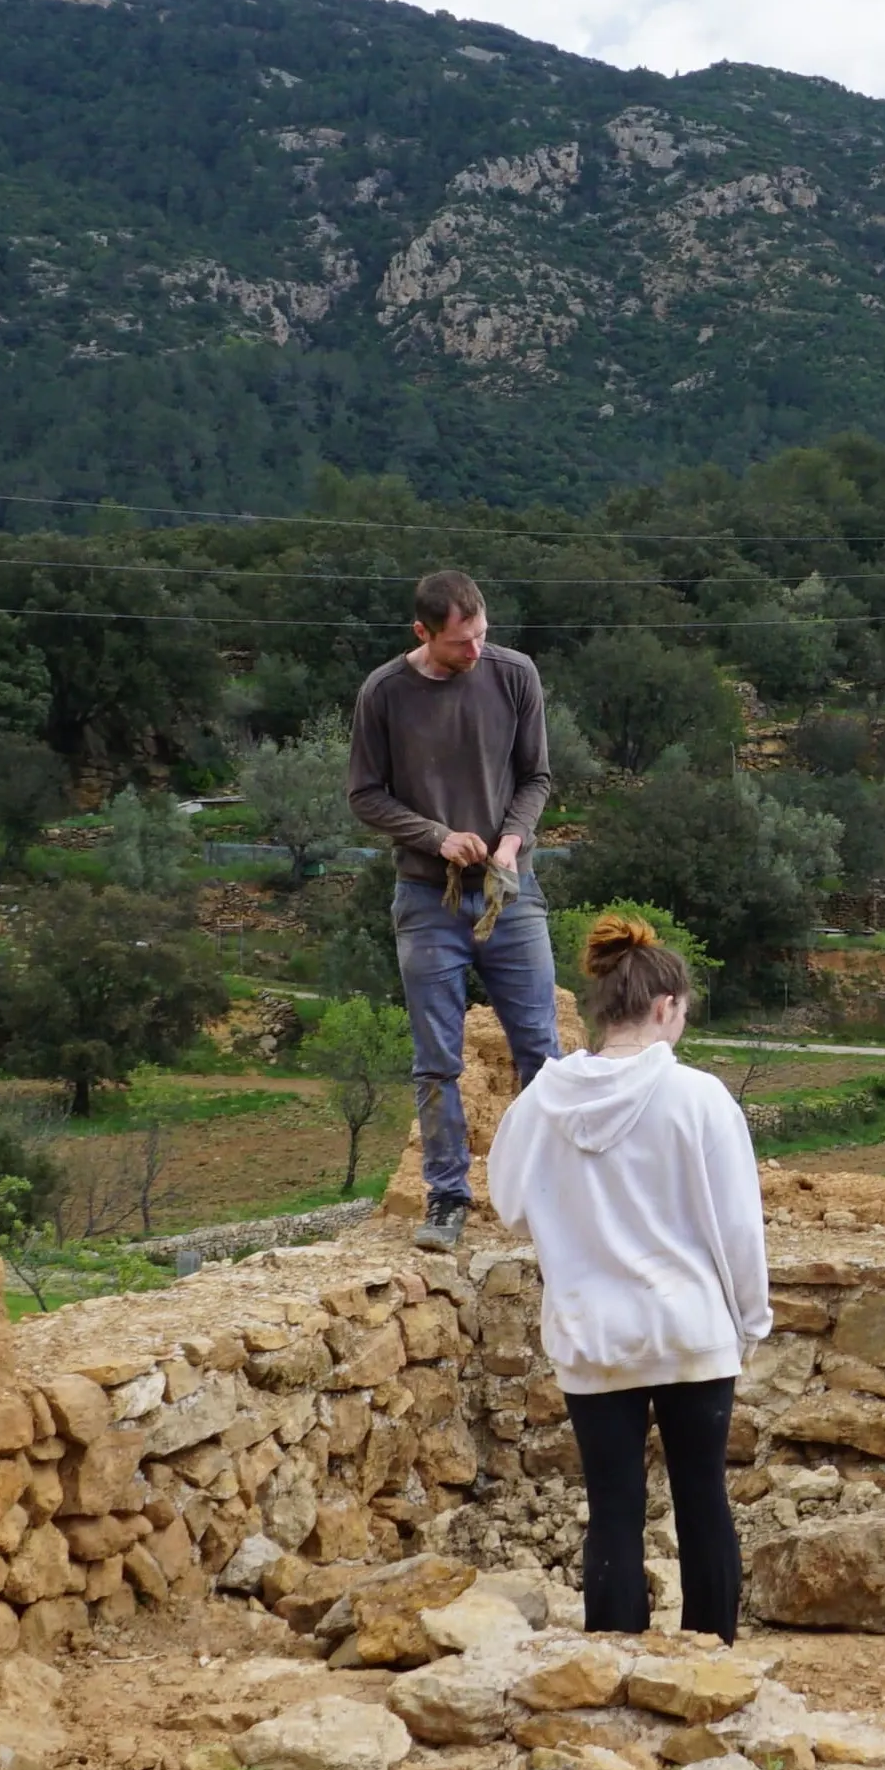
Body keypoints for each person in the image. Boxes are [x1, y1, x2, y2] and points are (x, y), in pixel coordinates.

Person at [484, 914, 766, 1641]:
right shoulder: (700, 1099)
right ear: (666, 1006)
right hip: (690, 1326)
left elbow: (510, 1205)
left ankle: (611, 1665)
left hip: (590, 1331)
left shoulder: (541, 1104)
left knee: (613, 1506)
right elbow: (738, 1226)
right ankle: (712, 1661)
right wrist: (752, 1319)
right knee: (702, 1498)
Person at [349, 569, 560, 1248]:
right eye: (460, 643)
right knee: (437, 1059)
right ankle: (446, 1200)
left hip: (509, 889)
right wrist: (438, 838)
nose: (476, 652)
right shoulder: (384, 694)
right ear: (422, 633)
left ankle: (550, 1196)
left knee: (542, 1052)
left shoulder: (515, 674)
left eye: (482, 634)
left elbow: (537, 777)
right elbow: (366, 795)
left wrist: (511, 840)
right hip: (426, 895)